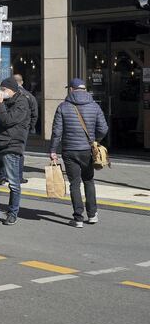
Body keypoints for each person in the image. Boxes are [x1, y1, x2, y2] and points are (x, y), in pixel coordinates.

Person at [49, 78, 109, 228]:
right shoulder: (94, 106)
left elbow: (57, 132)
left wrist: (53, 150)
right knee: (89, 181)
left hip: (69, 150)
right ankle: (93, 214)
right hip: (88, 150)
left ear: (71, 89)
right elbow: (103, 128)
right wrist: (95, 140)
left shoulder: (63, 107)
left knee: (74, 184)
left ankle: (78, 218)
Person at [0, 77, 31, 226]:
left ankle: (12, 213)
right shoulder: (5, 102)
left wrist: (0, 103)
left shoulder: (22, 103)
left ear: (12, 90)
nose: (1, 92)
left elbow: (7, 120)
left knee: (13, 183)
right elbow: (0, 123)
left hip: (12, 146)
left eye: (3, 90)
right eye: (0, 89)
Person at [14, 74, 38, 184]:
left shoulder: (8, 95)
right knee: (19, 152)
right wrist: (30, 126)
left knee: (6, 151)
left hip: (9, 128)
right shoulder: (29, 96)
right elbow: (35, 113)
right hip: (23, 129)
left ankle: (3, 176)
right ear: (22, 82)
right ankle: (18, 177)